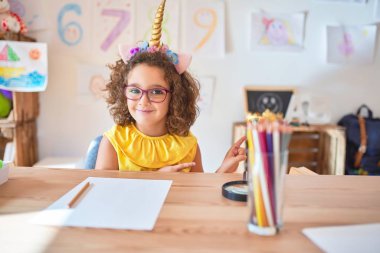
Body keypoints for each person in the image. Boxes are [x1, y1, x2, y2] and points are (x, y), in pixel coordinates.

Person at [95, 0, 246, 172]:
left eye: (157, 91)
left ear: (175, 96)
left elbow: (197, 194)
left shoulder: (189, 146)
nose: (143, 101)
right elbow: (103, 194)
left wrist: (223, 170)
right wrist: (156, 180)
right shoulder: (113, 142)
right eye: (135, 90)